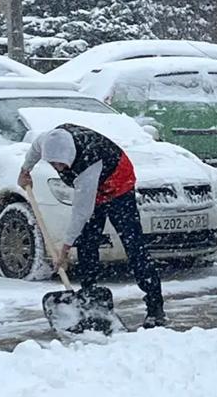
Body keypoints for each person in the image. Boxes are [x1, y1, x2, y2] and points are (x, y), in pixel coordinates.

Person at [18, 124, 167, 328]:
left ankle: (155, 307)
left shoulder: (88, 163)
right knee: (88, 242)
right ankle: (89, 295)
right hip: (95, 188)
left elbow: (81, 213)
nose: (56, 167)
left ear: (70, 156)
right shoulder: (49, 140)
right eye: (52, 163)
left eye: (60, 164)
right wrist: (25, 170)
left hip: (118, 183)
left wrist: (64, 250)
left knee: (133, 244)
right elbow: (35, 148)